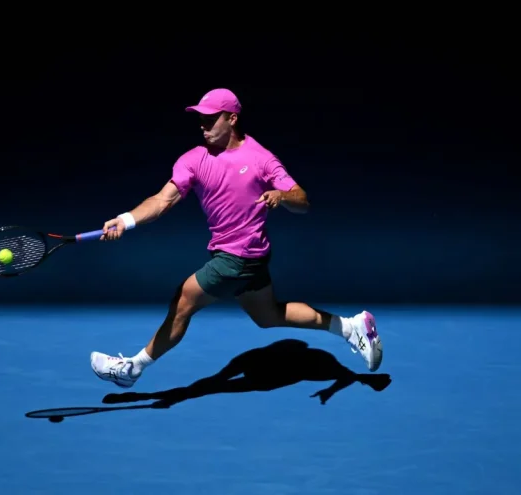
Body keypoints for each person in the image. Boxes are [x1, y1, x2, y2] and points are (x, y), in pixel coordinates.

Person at [90, 88, 382, 388]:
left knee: (184, 300)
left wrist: (282, 196)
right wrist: (126, 220)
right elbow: (162, 200)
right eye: (200, 119)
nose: (203, 125)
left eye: (210, 119)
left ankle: (131, 369)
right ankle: (350, 327)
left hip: (237, 258)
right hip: (252, 259)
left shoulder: (261, 158)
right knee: (268, 316)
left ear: (231, 118)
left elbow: (302, 200)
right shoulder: (194, 159)